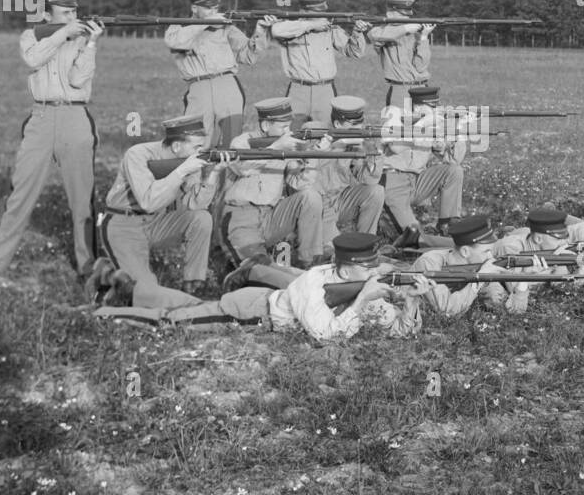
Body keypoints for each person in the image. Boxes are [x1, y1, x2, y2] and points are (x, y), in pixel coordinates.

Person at [110, 233, 432, 343]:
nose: (374, 272)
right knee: (173, 322)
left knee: (193, 306)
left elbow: (397, 331)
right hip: (249, 313)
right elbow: (325, 336)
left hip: (258, 306)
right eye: (367, 267)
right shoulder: (314, 281)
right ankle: (101, 316)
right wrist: (361, 302)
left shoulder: (362, 285)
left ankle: (131, 290)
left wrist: (411, 303)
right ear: (347, 269)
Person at [0, 0, 104, 278]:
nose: (73, 17)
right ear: (46, 14)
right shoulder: (32, 36)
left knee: (83, 200)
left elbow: (78, 80)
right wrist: (62, 34)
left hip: (75, 117)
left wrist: (90, 43)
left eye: (74, 12)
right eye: (66, 13)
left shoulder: (81, 39)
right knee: (20, 194)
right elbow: (33, 59)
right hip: (40, 118)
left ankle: (88, 269)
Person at [97, 115, 229, 302]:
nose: (201, 152)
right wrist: (181, 171)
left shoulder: (187, 159)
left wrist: (214, 174)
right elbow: (147, 202)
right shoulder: (138, 154)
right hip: (123, 225)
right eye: (196, 147)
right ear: (176, 146)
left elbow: (196, 205)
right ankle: (107, 274)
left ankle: (192, 287)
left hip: (156, 221)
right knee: (144, 292)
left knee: (201, 218)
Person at [219, 96, 327, 270]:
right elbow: (242, 167)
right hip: (242, 218)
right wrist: (275, 148)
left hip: (272, 217)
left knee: (310, 197)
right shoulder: (242, 142)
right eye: (283, 127)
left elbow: (299, 183)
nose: (287, 131)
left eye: (288, 126)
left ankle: (311, 264)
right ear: (265, 126)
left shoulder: (286, 144)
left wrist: (313, 154)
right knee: (261, 271)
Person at [163, 0, 271, 147]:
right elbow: (175, 42)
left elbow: (248, 56)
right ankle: (198, 172)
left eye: (215, 8)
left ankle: (228, 173)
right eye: (208, 9)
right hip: (198, 88)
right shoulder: (179, 26)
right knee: (195, 142)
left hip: (227, 85)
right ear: (194, 8)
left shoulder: (225, 27)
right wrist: (205, 22)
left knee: (233, 142)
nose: (214, 12)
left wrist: (260, 32)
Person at [253, 0, 368, 128]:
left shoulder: (330, 28)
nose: (321, 15)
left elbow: (354, 52)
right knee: (292, 134)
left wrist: (357, 32)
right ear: (304, 11)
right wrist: (312, 25)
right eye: (316, 12)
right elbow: (277, 30)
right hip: (297, 89)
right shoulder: (290, 26)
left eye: (321, 12)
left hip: (325, 90)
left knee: (325, 133)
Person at [379, 85, 467, 249]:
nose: (437, 110)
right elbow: (396, 147)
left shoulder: (432, 125)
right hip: (393, 184)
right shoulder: (394, 116)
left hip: (417, 181)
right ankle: (453, 246)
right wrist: (422, 126)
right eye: (433, 107)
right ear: (418, 107)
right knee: (414, 237)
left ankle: (447, 226)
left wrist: (456, 134)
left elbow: (453, 161)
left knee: (454, 172)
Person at [303, 96, 386, 255]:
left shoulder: (354, 144)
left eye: (360, 123)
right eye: (353, 125)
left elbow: (368, 180)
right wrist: (335, 148)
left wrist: (373, 151)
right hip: (318, 207)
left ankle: (367, 244)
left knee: (376, 191)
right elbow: (312, 182)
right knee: (341, 253)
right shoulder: (317, 136)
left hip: (339, 202)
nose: (359, 128)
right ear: (337, 124)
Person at [408, 214, 521, 317]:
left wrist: (520, 284)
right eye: (486, 252)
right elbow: (446, 310)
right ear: (465, 252)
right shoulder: (429, 263)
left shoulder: (477, 268)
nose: (490, 257)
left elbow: (506, 307)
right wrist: (479, 279)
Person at [489, 208, 584, 313]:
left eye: (565, 237)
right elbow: (514, 289)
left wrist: (579, 269)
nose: (564, 243)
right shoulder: (510, 248)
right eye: (558, 238)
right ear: (538, 239)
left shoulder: (552, 250)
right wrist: (546, 274)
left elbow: (559, 286)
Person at [365, 0, 435, 106]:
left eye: (407, 16)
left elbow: (421, 66)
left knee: (424, 122)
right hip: (400, 89)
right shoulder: (382, 31)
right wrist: (404, 29)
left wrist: (424, 37)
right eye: (402, 15)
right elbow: (374, 35)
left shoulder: (415, 34)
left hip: (422, 88)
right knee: (397, 122)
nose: (406, 19)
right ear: (391, 13)